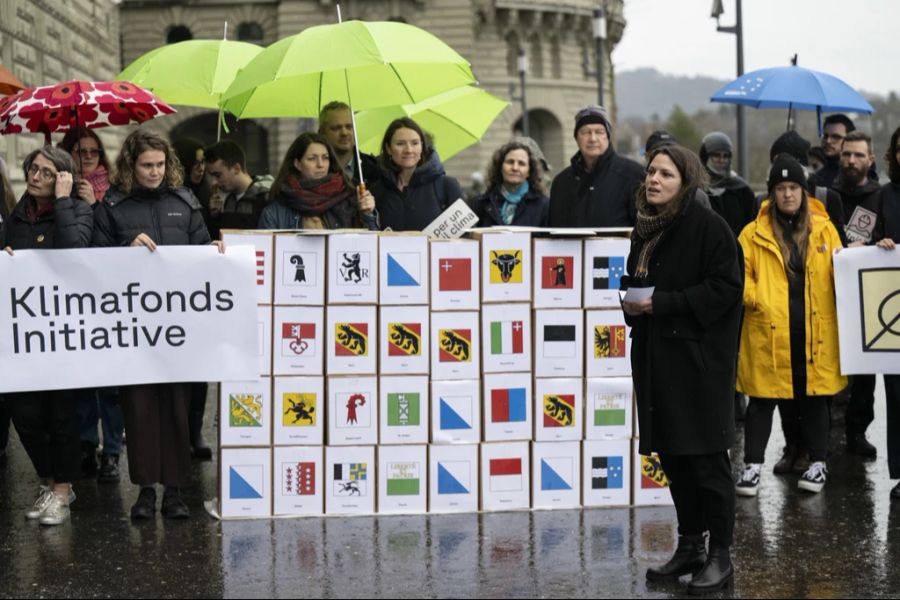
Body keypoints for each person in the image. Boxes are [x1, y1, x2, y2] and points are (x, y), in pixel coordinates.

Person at [622, 144, 743, 593]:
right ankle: (691, 544)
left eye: (665, 175)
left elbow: (726, 288)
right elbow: (641, 278)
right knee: (674, 457)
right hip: (657, 359)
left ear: (685, 182)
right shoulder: (646, 227)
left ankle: (721, 556)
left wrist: (663, 303)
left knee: (707, 464)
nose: (653, 180)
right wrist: (631, 299)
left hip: (698, 364)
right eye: (651, 171)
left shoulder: (709, 227)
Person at [93, 130, 223, 521]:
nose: (155, 172)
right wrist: (124, 251)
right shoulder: (112, 205)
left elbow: (200, 249)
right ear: (131, 165)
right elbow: (94, 260)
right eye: (147, 165)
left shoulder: (185, 202)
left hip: (179, 327)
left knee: (178, 409)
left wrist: (213, 251)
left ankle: (176, 492)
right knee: (139, 408)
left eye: (161, 165)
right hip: (134, 328)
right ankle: (146, 491)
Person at [735, 154, 846, 498]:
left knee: (816, 398)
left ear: (804, 191)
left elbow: (841, 272)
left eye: (793, 187)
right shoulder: (752, 234)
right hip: (769, 330)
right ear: (771, 193)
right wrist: (761, 300)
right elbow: (739, 278)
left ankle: (819, 462)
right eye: (780, 188)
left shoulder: (825, 229)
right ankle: (752, 466)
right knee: (763, 399)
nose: (787, 194)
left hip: (815, 331)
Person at [2, 146, 93, 525]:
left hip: (62, 332)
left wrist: (64, 202)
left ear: (63, 178)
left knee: (61, 415)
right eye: (33, 170)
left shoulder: (78, 211)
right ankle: (51, 480)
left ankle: (62, 490)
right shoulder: (18, 216)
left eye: (47, 172)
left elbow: (76, 251)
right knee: (25, 415)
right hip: (24, 334)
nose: (36, 177)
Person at [58, 129, 126, 481]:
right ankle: (87, 443)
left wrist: (95, 205)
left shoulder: (114, 192)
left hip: (109, 298)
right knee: (82, 380)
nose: (87, 157)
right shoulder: (57, 192)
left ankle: (112, 450)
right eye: (79, 151)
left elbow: (117, 237)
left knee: (110, 386)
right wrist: (68, 201)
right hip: (73, 299)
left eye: (93, 151)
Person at [831, 131, 883, 457]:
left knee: (864, 372)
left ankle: (857, 430)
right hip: (829, 292)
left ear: (870, 160)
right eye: (847, 154)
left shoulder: (882, 196)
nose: (851, 160)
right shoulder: (826, 194)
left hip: (868, 296)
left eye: (858, 155)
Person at [172, 138, 214, 460]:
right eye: (195, 162)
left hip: (201, 290)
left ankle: (194, 430)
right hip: (173, 291)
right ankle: (175, 433)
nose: (201, 167)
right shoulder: (178, 197)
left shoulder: (205, 194)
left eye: (204, 162)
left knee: (199, 368)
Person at [548, 104, 644, 228]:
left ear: (607, 137)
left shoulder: (633, 175)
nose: (593, 138)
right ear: (577, 138)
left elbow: (642, 229)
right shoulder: (561, 182)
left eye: (599, 132)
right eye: (585, 132)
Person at [258, 132, 377, 230]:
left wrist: (367, 214)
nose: (320, 165)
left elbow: (370, 249)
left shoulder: (348, 199)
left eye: (325, 158)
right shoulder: (274, 213)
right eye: (312, 159)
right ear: (297, 164)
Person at [369, 117, 463, 231]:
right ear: (388, 148)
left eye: (415, 143)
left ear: (422, 147)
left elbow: (466, 235)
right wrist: (367, 214)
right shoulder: (377, 190)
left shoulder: (447, 186)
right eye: (400, 143)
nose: (408, 150)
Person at [875, 125, 900, 500]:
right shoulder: (880, 196)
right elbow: (854, 236)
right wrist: (873, 243)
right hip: (892, 315)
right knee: (897, 396)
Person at [471, 141, 549, 227]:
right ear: (500, 167)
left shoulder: (543, 205)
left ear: (529, 172)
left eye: (521, 164)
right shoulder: (481, 203)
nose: (515, 168)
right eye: (510, 162)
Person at [204, 140, 273, 232]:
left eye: (218, 175)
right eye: (211, 176)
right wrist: (216, 217)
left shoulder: (265, 198)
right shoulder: (229, 199)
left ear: (236, 168)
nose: (214, 182)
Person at [699, 132, 756, 239]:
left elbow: (752, 224)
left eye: (726, 156)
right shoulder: (697, 189)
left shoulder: (742, 189)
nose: (721, 160)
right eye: (716, 155)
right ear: (705, 156)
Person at [317, 101, 378, 187]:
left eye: (349, 127)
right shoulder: (315, 171)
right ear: (322, 133)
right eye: (336, 128)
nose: (344, 133)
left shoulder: (375, 170)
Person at [58, 127, 112, 206]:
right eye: (82, 151)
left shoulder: (114, 184)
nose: (89, 156)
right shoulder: (58, 183)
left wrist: (94, 204)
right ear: (68, 154)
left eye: (94, 151)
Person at [809, 113, 856, 189]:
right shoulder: (816, 178)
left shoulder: (859, 175)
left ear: (850, 139)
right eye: (825, 136)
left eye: (836, 137)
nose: (828, 141)